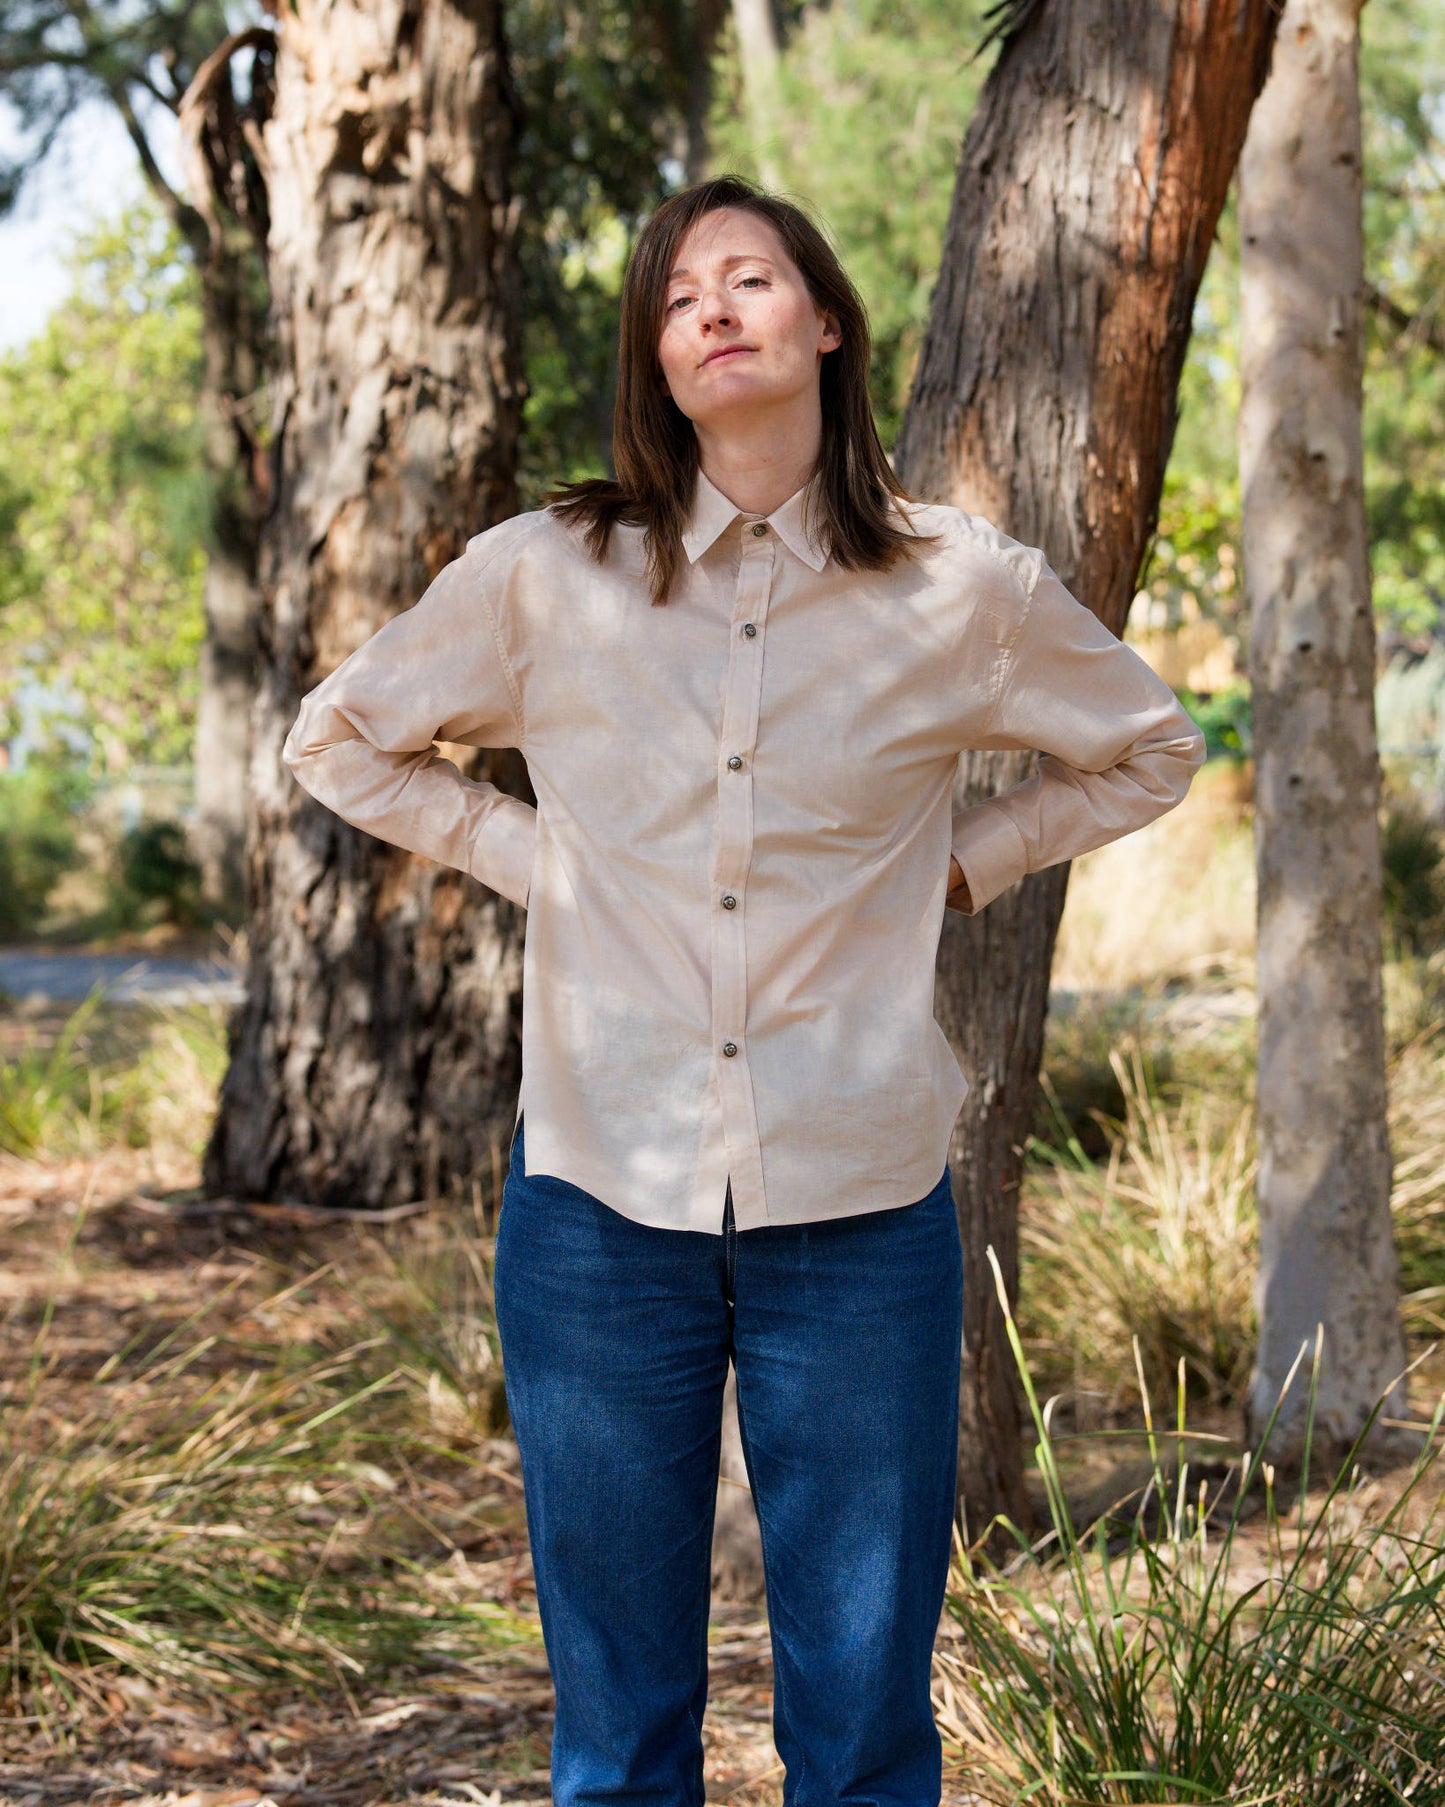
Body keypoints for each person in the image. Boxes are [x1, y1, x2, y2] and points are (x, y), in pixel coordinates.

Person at [282, 174, 1206, 1807]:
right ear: (655, 357)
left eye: (750, 278)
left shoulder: (955, 586)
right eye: (676, 292)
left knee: (858, 1729)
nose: (711, 306)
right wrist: (532, 854)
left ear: (825, 322)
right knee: (617, 1728)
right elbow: (336, 739)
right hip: (595, 1205)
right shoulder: (545, 575)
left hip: (857, 1208)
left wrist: (969, 859)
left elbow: (1152, 747)